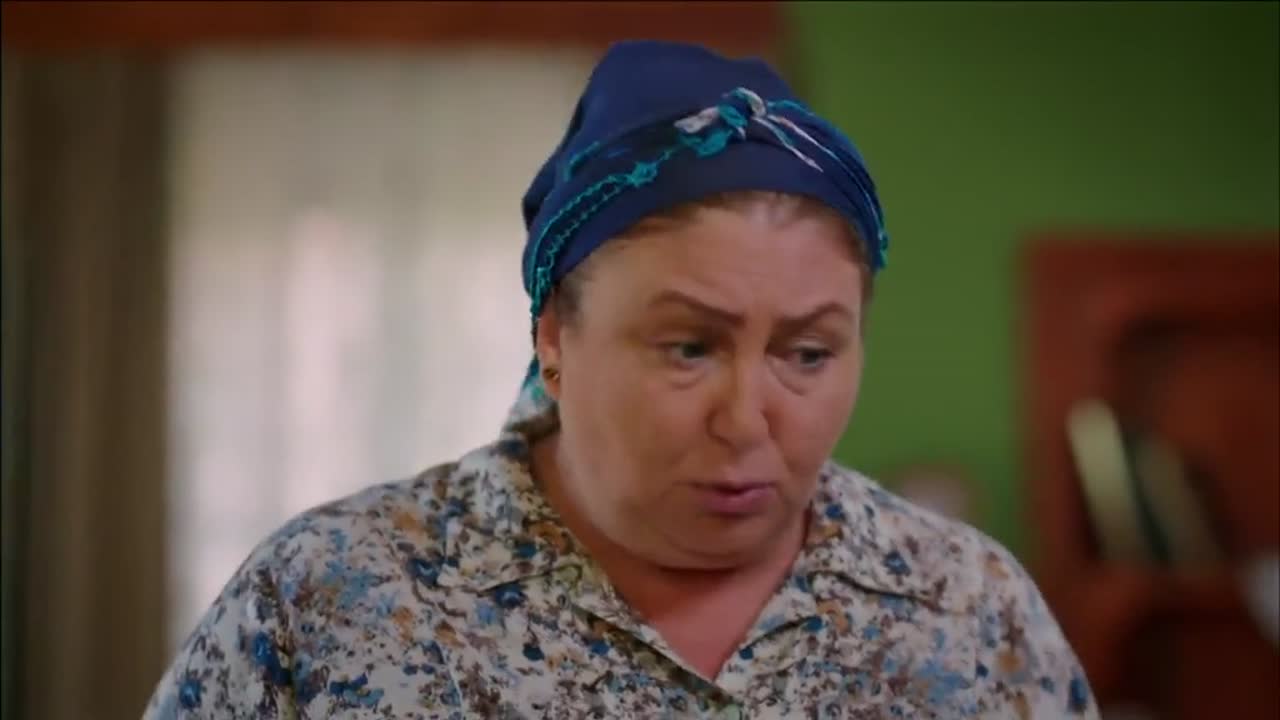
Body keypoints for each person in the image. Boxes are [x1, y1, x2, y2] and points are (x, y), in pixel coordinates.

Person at [144, 40, 1099, 719]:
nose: (747, 421)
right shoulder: (328, 599)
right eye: (689, 348)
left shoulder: (969, 612)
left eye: (807, 354)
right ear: (554, 337)